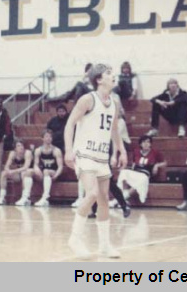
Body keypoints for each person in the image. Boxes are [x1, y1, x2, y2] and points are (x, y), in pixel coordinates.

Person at [64, 63, 128, 259]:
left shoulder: (114, 103)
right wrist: (68, 149)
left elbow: (114, 130)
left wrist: (121, 151)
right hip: (84, 153)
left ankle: (104, 246)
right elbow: (70, 124)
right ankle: (75, 238)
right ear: (99, 79)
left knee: (103, 201)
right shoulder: (87, 99)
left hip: (101, 156)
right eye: (109, 73)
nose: (113, 75)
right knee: (91, 193)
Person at [16, 130, 63, 207]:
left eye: (50, 136)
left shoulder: (56, 150)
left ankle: (45, 198)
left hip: (53, 173)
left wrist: (56, 175)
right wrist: (36, 169)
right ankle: (26, 197)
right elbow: (35, 164)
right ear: (42, 138)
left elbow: (60, 166)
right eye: (47, 136)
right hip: (42, 174)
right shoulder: (38, 150)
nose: (49, 138)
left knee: (46, 171)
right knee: (28, 171)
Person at [117, 135, 166, 205]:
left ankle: (120, 200)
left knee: (141, 180)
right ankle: (124, 197)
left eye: (148, 142)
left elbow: (165, 163)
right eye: (144, 142)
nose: (146, 144)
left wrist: (157, 165)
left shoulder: (155, 152)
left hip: (145, 175)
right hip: (136, 172)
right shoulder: (136, 152)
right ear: (140, 144)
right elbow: (134, 163)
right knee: (123, 172)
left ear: (150, 144)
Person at [0, 140, 33, 205]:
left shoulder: (27, 153)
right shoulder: (13, 153)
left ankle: (25, 198)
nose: (21, 147)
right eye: (18, 146)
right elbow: (6, 166)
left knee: (24, 172)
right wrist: (8, 171)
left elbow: (26, 167)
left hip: (30, 174)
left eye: (22, 145)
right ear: (15, 148)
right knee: (3, 173)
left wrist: (13, 171)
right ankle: (2, 197)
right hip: (19, 174)